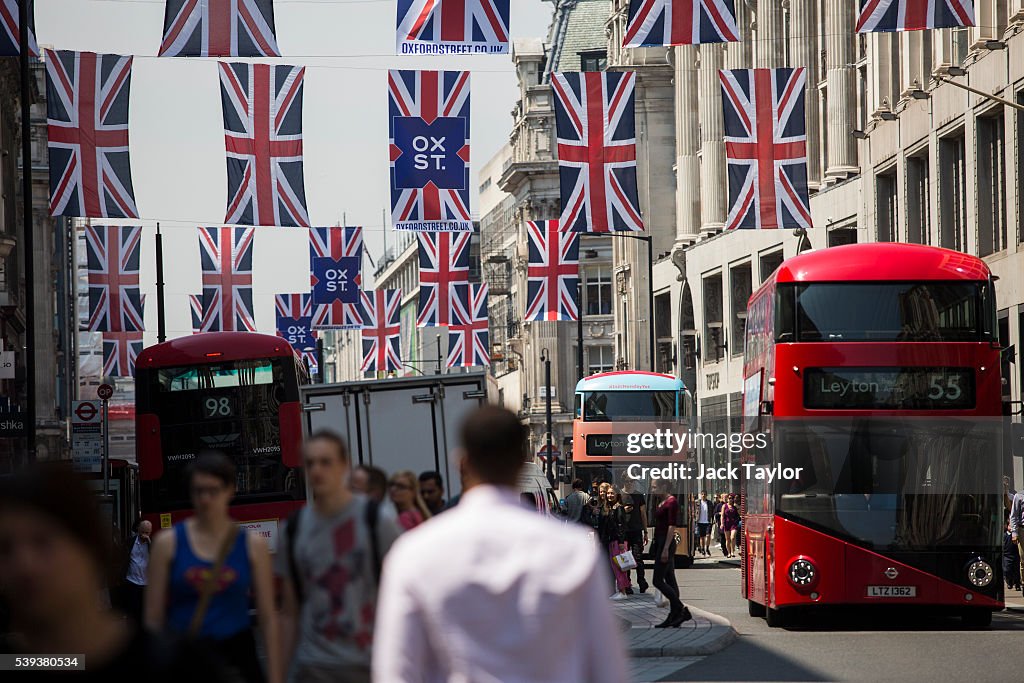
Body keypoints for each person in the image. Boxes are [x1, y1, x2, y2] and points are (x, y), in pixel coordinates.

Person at [372, 406, 629, 682]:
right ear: (521, 464)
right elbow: (606, 668)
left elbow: (397, 670)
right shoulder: (572, 552)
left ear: (461, 463)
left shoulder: (414, 553)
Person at [0, 465, 228, 683]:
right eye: (5, 549)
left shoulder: (178, 667)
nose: (24, 565)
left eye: (43, 543)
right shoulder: (13, 663)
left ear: (90, 548)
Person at [277, 432, 402, 683]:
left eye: (326, 462)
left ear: (345, 465)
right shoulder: (293, 529)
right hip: (313, 666)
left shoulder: (377, 520)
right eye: (310, 463)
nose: (317, 470)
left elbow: (405, 595)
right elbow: (288, 612)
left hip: (370, 664)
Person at [146, 452, 281, 683]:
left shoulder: (252, 545)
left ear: (230, 490)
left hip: (237, 661)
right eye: (199, 491)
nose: (206, 499)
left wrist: (276, 677)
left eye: (213, 490)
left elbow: (268, 618)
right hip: (186, 659)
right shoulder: (166, 544)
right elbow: (153, 620)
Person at [650, 479, 692, 628]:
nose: (652, 490)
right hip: (660, 541)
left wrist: (666, 548)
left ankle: (680, 609)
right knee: (670, 579)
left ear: (664, 486)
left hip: (666, 542)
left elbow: (671, 526)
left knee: (657, 580)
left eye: (655, 487)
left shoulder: (671, 501)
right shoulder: (660, 501)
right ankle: (674, 615)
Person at [116, 519, 152, 624]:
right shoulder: (130, 542)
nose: (144, 535)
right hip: (132, 581)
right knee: (132, 611)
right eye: (143, 532)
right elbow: (122, 557)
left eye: (147, 533)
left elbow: (156, 557)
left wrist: (150, 542)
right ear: (138, 530)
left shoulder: (152, 543)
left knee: (144, 612)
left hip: (146, 582)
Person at [598, 487, 630, 600]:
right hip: (612, 540)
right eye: (608, 493)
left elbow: (621, 525)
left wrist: (621, 541)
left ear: (617, 495)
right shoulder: (611, 507)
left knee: (620, 566)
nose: (610, 495)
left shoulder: (619, 508)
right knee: (615, 566)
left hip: (618, 541)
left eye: (612, 493)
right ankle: (621, 590)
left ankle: (623, 591)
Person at [620, 476, 648, 593]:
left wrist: (645, 531)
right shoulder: (619, 495)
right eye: (627, 481)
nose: (630, 483)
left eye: (632, 481)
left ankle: (642, 582)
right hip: (624, 531)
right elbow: (616, 511)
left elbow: (643, 514)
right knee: (625, 559)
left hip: (636, 530)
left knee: (638, 558)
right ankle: (627, 584)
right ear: (623, 482)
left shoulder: (638, 495)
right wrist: (623, 510)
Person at [1010, 486, 1024, 594]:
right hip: (1022, 529)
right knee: (1023, 559)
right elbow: (1014, 516)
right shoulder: (1019, 496)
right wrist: (1014, 533)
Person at [1004, 514, 1021, 592]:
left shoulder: (1017, 535)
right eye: (1010, 525)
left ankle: (1017, 584)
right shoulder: (1004, 536)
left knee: (1017, 571)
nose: (1011, 528)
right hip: (1007, 556)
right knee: (1007, 570)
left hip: (1016, 555)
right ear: (1007, 526)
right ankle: (1009, 582)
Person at [721, 494, 740, 558]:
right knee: (728, 539)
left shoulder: (734, 507)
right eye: (729, 498)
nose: (730, 499)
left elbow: (738, 515)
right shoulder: (724, 506)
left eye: (731, 498)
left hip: (733, 524)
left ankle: (732, 551)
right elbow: (722, 515)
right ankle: (728, 552)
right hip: (726, 523)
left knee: (733, 537)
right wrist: (722, 523)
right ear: (727, 499)